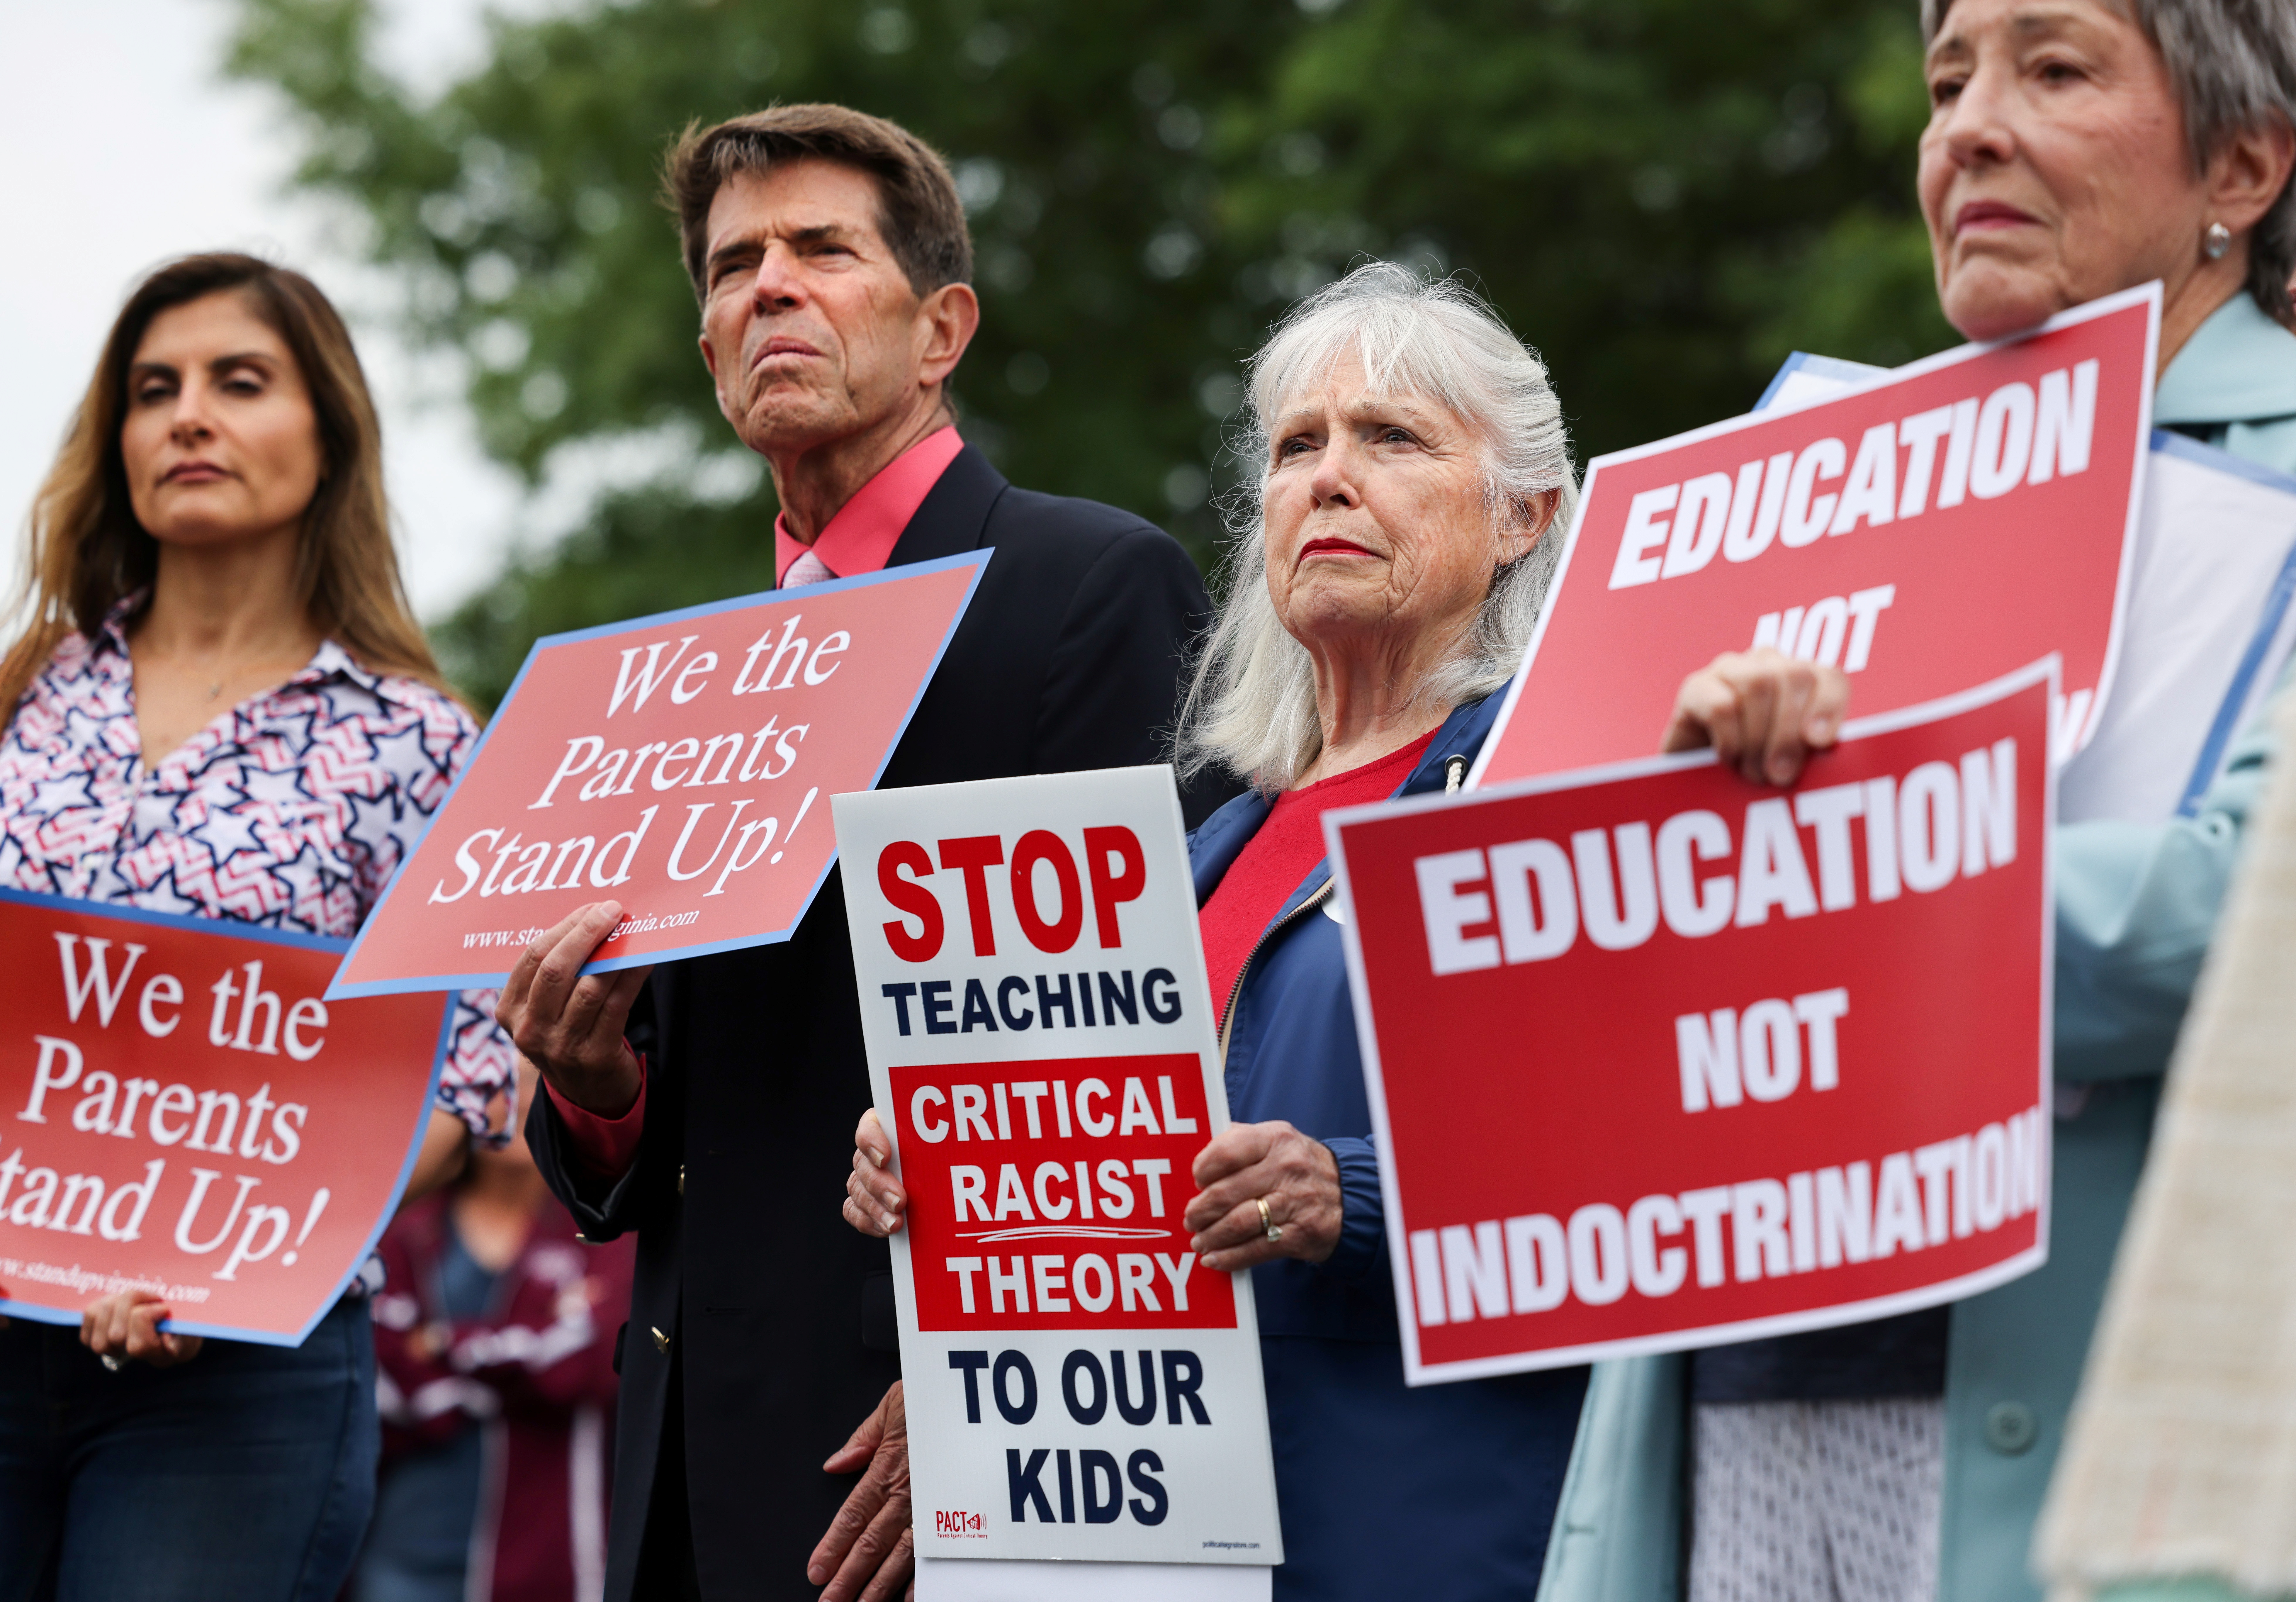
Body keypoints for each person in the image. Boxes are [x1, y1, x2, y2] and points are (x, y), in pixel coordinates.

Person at [1539, 3, 2296, 1600]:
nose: (1967, 126)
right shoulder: (1787, 496)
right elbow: (1574, 987)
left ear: (2242, 160)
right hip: (1736, 1407)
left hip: (2086, 1429)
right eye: (1945, 80)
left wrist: (1820, 860)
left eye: (2055, 67)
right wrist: (1666, 827)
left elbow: (2242, 926)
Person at [502, 103, 1228, 1602]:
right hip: (685, 1471)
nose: (768, 285)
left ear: (941, 324)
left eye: (822, 249)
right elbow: (675, 1135)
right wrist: (600, 1097)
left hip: (944, 1458)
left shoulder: (1087, 587)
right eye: (731, 266)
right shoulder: (686, 685)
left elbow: (1137, 1046)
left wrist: (989, 1376)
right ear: (708, 349)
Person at [843, 260, 1592, 1600]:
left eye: (1391, 438)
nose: (1328, 476)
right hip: (1150, 1552)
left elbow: (1642, 1156)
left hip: (1425, 1527)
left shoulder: (1560, 788)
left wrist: (1346, 1191)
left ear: (1526, 513)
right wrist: (948, 1166)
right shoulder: (1194, 855)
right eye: (1298, 446)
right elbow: (1097, 1193)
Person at [0, 253, 517, 1600]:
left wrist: (213, 1259)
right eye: (154, 388)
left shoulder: (415, 740)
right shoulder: (21, 697)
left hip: (237, 1392)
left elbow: (468, 1074)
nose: (188, 416)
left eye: (240, 382)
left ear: (328, 433)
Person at [352, 1064, 633, 1602]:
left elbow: (594, 1361)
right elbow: (379, 1374)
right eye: (492, 1082)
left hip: (551, 1569)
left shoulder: (601, 1233)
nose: (517, 1100)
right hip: (401, 1561)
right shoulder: (401, 1231)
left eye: (534, 1081)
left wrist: (440, 1345)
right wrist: (520, 1362)